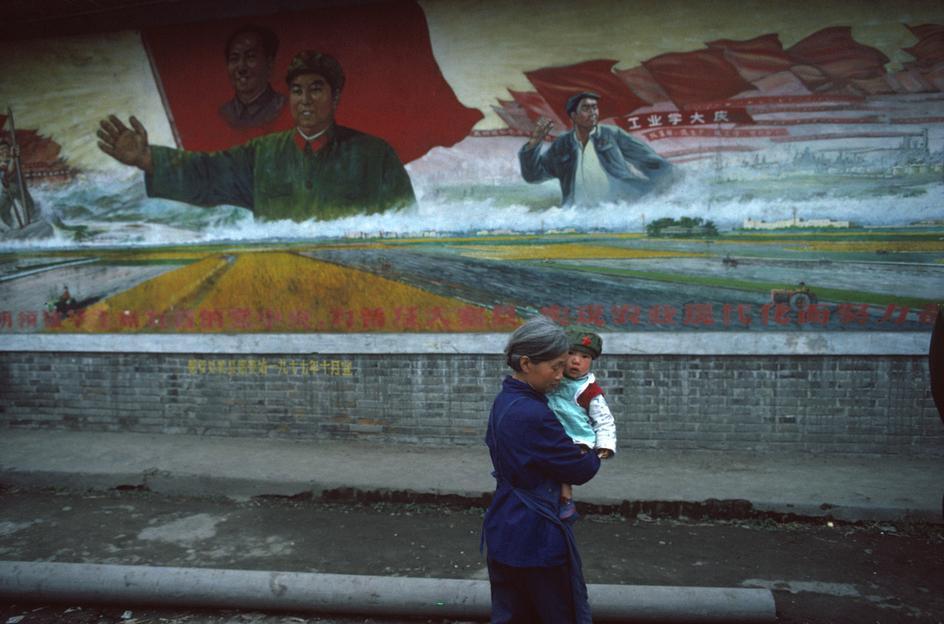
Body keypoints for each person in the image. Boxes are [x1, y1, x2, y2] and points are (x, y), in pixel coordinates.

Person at [97, 50, 416, 222]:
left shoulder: (376, 155)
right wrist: (147, 159)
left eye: (316, 89)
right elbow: (206, 173)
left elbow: (406, 223)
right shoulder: (261, 154)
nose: (305, 100)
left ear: (335, 97)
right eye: (297, 90)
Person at [482, 315, 601, 623]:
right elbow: (581, 469)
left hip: (505, 523)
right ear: (526, 363)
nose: (561, 375)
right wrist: (593, 446)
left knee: (512, 613)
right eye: (556, 367)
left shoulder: (505, 399)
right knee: (555, 612)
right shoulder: (533, 413)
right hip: (535, 534)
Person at [519, 91, 674, 207]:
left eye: (594, 108)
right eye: (586, 108)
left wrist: (669, 188)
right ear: (573, 116)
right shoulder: (562, 145)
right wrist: (534, 142)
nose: (593, 113)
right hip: (579, 217)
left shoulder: (612, 135)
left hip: (621, 211)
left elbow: (651, 162)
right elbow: (534, 176)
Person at [547, 330, 616, 523]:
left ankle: (566, 499)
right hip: (551, 432)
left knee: (563, 464)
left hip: (577, 439)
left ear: (591, 361)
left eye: (584, 357)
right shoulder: (553, 378)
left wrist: (605, 445)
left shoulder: (590, 390)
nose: (576, 361)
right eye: (571, 354)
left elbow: (604, 420)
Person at [218, 25, 286, 129]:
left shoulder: (283, 107)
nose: (241, 68)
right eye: (234, 59)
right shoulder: (224, 113)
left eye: (250, 57)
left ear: (269, 64)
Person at [0, 138, 38, 231]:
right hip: (7, 189)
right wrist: (13, 158)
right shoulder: (2, 162)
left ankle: (32, 224)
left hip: (19, 187)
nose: (4, 151)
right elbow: (8, 172)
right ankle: (11, 227)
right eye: (1, 149)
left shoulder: (14, 158)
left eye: (5, 148)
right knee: (3, 210)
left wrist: (14, 156)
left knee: (29, 207)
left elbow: (12, 169)